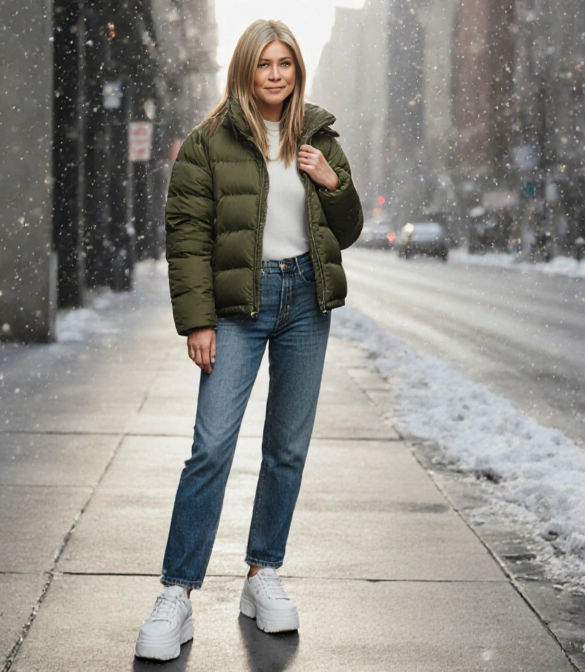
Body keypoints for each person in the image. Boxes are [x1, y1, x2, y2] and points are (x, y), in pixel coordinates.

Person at [134, 18, 363, 662]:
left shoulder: (319, 138)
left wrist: (331, 183)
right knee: (211, 447)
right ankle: (177, 591)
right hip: (239, 305)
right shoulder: (210, 142)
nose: (276, 75)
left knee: (286, 449)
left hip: (304, 305)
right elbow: (186, 234)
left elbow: (346, 231)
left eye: (286, 63)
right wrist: (197, 320)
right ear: (246, 69)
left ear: (297, 71)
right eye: (265, 64)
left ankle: (263, 574)